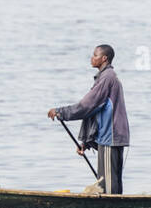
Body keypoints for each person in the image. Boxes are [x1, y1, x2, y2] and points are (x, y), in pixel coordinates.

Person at [48, 45, 129, 194]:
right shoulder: (108, 77)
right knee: (111, 181)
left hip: (109, 137)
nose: (92, 58)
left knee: (107, 185)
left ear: (104, 58)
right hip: (112, 136)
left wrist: (60, 112)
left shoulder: (107, 78)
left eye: (95, 55)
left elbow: (87, 106)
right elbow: (98, 110)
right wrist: (87, 142)